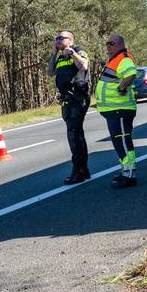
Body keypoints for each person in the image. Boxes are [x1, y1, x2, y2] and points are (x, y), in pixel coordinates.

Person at [46, 30, 91, 184]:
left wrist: (71, 53)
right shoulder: (59, 58)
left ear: (70, 40)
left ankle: (78, 171)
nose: (57, 40)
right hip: (67, 100)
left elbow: (83, 65)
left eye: (61, 38)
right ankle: (83, 170)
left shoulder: (78, 52)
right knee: (76, 135)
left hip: (78, 99)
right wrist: (54, 53)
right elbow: (49, 72)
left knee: (74, 135)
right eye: (56, 38)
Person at [95, 33, 139, 188]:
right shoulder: (114, 61)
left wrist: (121, 87)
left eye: (111, 43)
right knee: (118, 141)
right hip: (114, 110)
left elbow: (131, 74)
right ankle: (125, 170)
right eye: (107, 43)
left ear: (120, 45)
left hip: (121, 109)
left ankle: (130, 174)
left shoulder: (124, 59)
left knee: (123, 140)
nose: (108, 46)